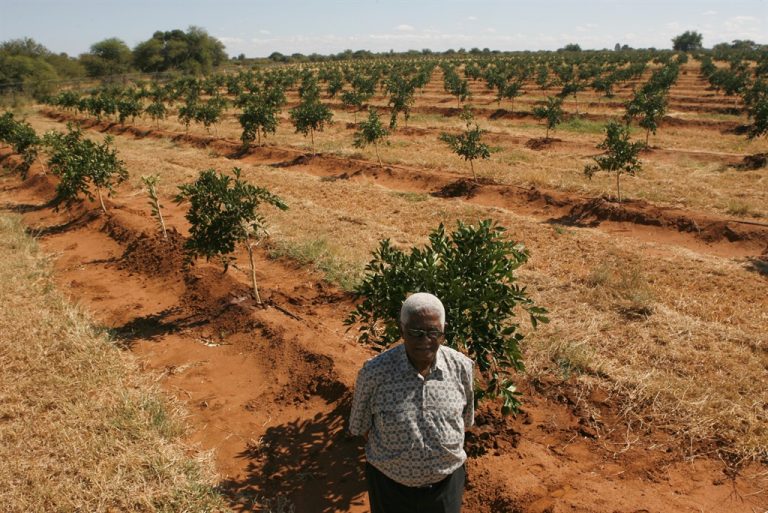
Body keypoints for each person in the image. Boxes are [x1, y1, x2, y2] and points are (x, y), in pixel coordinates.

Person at [348, 292, 474, 513]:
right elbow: (361, 427)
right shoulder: (374, 373)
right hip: (389, 488)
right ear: (401, 330)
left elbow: (464, 421)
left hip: (446, 486)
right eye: (415, 333)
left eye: (433, 332)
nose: (424, 341)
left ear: (443, 331)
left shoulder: (462, 367)